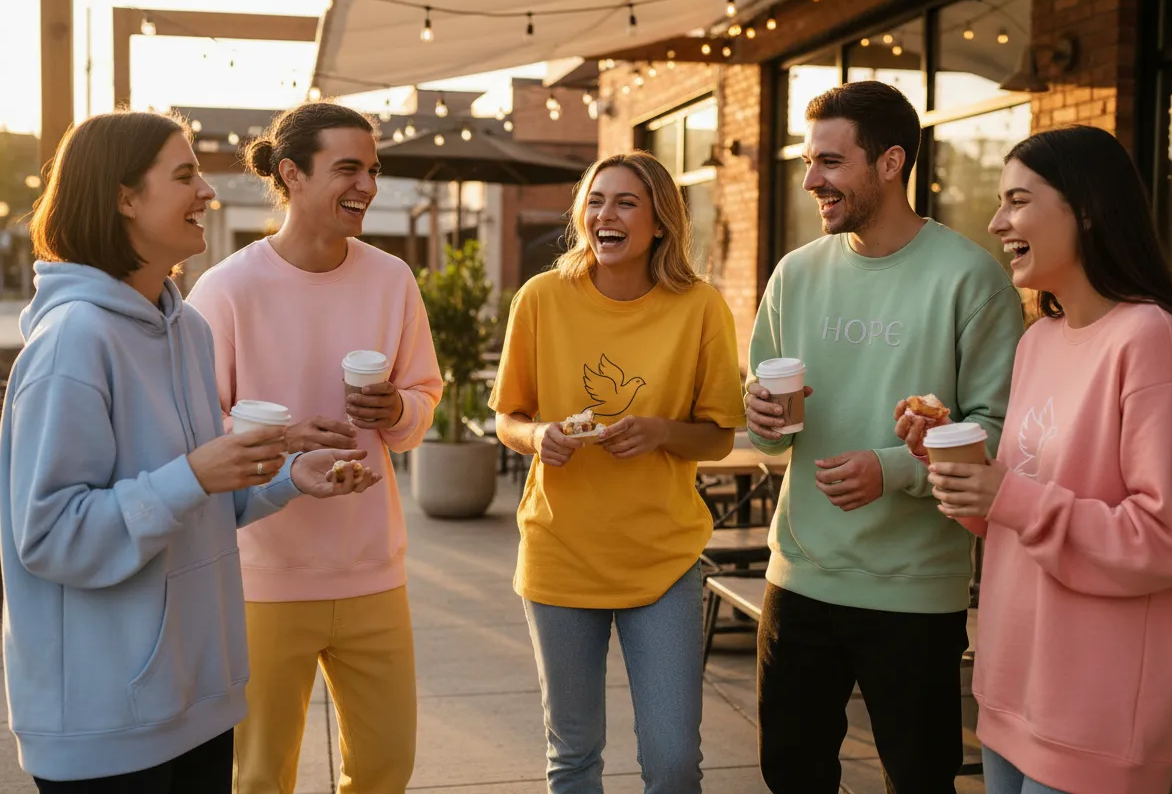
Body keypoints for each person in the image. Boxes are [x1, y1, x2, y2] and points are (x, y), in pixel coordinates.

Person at [0, 111, 381, 793]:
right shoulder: (71, 345)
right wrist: (190, 476)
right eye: (184, 176)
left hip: (197, 705)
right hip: (106, 728)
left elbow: (202, 501)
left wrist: (291, 476)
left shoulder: (186, 331)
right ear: (123, 197)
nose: (209, 191)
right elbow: (50, 536)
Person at [743, 80, 1025, 793]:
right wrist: (762, 418)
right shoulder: (794, 275)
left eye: (831, 163)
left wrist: (892, 466)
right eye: (810, 163)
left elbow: (998, 431)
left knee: (920, 780)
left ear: (892, 162)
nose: (811, 181)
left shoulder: (971, 278)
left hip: (914, 590)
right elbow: (770, 439)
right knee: (791, 776)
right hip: (799, 577)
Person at [186, 101, 442, 794]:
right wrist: (285, 439)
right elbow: (197, 430)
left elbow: (423, 401)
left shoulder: (392, 280)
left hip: (374, 570)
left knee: (387, 768)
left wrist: (396, 407)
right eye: (348, 168)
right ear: (292, 174)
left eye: (374, 170)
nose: (367, 185)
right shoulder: (227, 289)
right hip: (263, 577)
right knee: (260, 776)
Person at [926, 126, 1172, 794]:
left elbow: (1165, 541)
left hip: (1093, 716)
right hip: (1010, 689)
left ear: (1088, 209)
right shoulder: (1037, 339)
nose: (995, 220)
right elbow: (1016, 510)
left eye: (1017, 200)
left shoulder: (1151, 340)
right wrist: (959, 468)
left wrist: (1005, 496)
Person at [491, 151, 746, 794]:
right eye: (597, 200)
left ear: (660, 221)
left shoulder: (701, 308)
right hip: (560, 551)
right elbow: (508, 418)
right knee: (573, 757)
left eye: (626, 202)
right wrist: (539, 435)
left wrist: (661, 432)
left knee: (672, 762)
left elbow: (719, 437)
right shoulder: (541, 298)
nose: (606, 214)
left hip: (662, 557)